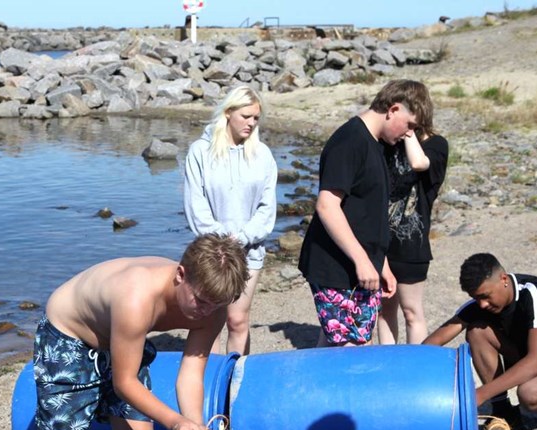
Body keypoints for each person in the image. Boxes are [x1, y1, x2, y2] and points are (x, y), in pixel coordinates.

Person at [34, 233, 248, 430]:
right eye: (201, 301)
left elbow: (191, 375)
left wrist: (196, 429)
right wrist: (175, 423)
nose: (206, 311)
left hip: (121, 338)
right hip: (69, 332)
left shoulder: (213, 308)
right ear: (180, 275)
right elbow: (124, 383)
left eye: (215, 304)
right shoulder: (137, 298)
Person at [297, 79, 432, 347]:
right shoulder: (350, 141)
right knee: (351, 350)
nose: (409, 134)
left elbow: (367, 214)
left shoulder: (376, 144)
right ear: (393, 109)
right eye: (410, 125)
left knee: (349, 345)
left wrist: (382, 265)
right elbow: (327, 205)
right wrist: (362, 260)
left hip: (364, 266)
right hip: (335, 267)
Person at [423, 253, 537, 430]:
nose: (482, 304)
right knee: (477, 331)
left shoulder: (536, 294)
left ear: (503, 279)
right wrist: (409, 372)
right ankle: (503, 411)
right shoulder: (483, 303)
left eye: (485, 296)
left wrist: (481, 394)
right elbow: (434, 341)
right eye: (476, 298)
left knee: (529, 394)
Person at [184, 84, 278, 355]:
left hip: (249, 251)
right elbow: (195, 205)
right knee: (209, 320)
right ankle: (208, 372)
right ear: (228, 113)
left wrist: (243, 237)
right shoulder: (200, 152)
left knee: (237, 320)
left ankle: (237, 372)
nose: (251, 123)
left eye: (256, 118)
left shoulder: (262, 155)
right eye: (245, 116)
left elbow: (267, 208)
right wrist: (221, 238)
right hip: (211, 251)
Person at [375, 114, 449, 345]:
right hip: (382, 243)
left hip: (412, 246)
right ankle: (389, 362)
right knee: (384, 311)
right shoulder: (388, 144)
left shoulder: (436, 145)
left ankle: (416, 363)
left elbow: (418, 163)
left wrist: (408, 131)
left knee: (411, 311)